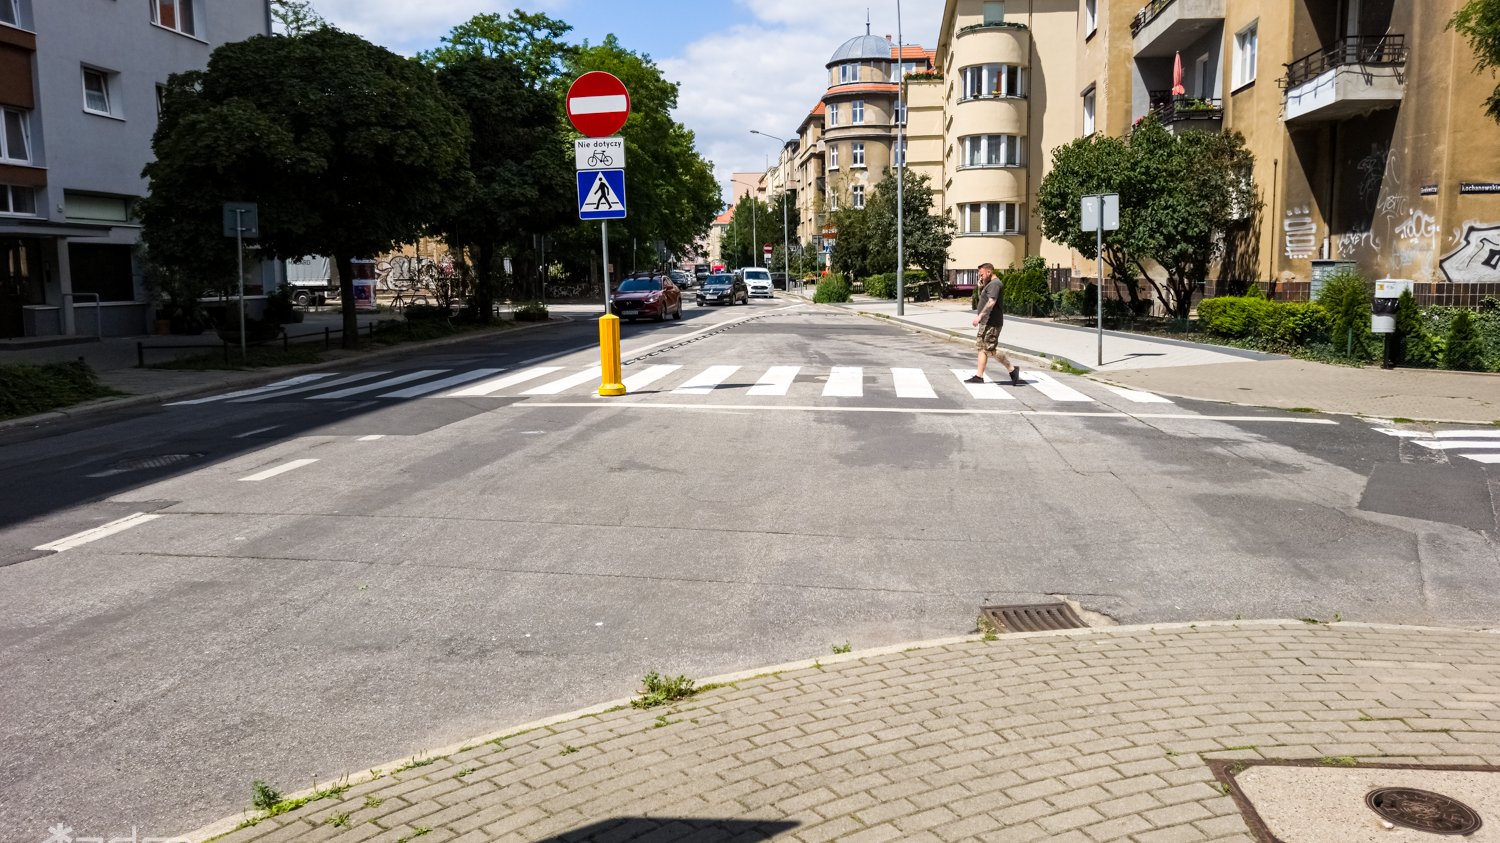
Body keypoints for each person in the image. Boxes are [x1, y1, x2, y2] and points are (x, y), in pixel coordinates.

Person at [966, 262, 1023, 386]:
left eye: (981, 274)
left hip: (992, 322)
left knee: (990, 349)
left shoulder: (995, 284)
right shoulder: (989, 284)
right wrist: (980, 287)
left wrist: (980, 316)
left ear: (989, 272)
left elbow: (992, 302)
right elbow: (984, 299)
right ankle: (979, 376)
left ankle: (1012, 369)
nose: (980, 277)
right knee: (981, 348)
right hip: (985, 322)